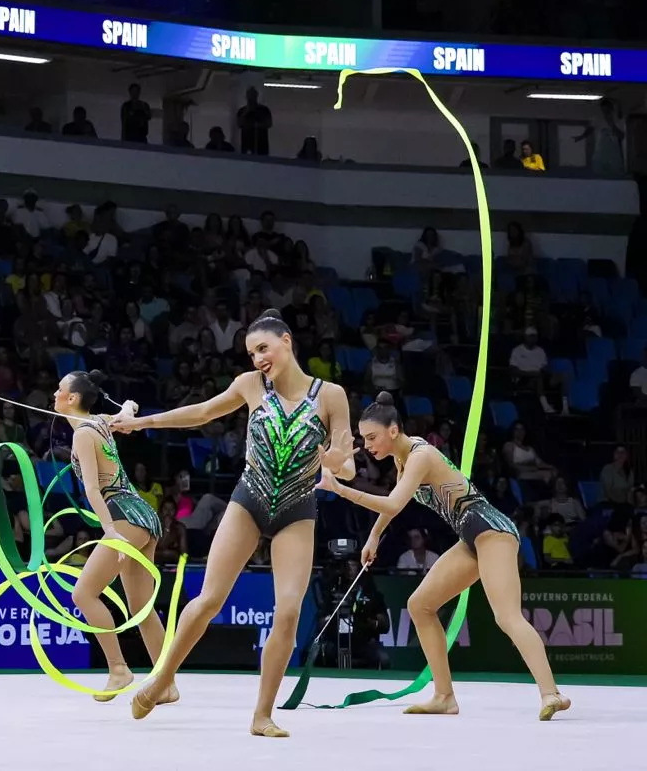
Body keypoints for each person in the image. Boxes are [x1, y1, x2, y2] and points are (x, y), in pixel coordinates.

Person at [110, 308, 354, 736]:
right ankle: (163, 678)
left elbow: (347, 465)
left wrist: (336, 462)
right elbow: (202, 413)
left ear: (286, 342)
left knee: (290, 610)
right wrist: (142, 422)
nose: (258, 358)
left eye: (263, 348)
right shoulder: (250, 385)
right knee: (208, 601)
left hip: (297, 510)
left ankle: (262, 715)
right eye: (250, 352)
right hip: (249, 500)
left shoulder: (330, 395)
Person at [321, 393, 569, 721]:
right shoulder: (403, 458)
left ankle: (551, 693)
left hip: (491, 529)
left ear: (392, 431)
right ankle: (443, 696)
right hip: (470, 536)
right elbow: (397, 502)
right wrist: (374, 534)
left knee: (506, 616)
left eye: (371, 437)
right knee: (420, 605)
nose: (366, 445)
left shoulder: (421, 455)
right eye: (364, 438)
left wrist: (339, 489)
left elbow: (393, 504)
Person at [60, 370, 176, 703]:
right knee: (140, 606)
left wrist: (109, 530)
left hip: (122, 516)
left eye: (59, 390)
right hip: (144, 515)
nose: (54, 395)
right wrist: (127, 407)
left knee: (83, 594)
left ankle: (118, 669)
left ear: (71, 398)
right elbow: (124, 415)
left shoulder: (84, 432)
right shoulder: (98, 422)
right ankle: (165, 683)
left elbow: (93, 489)